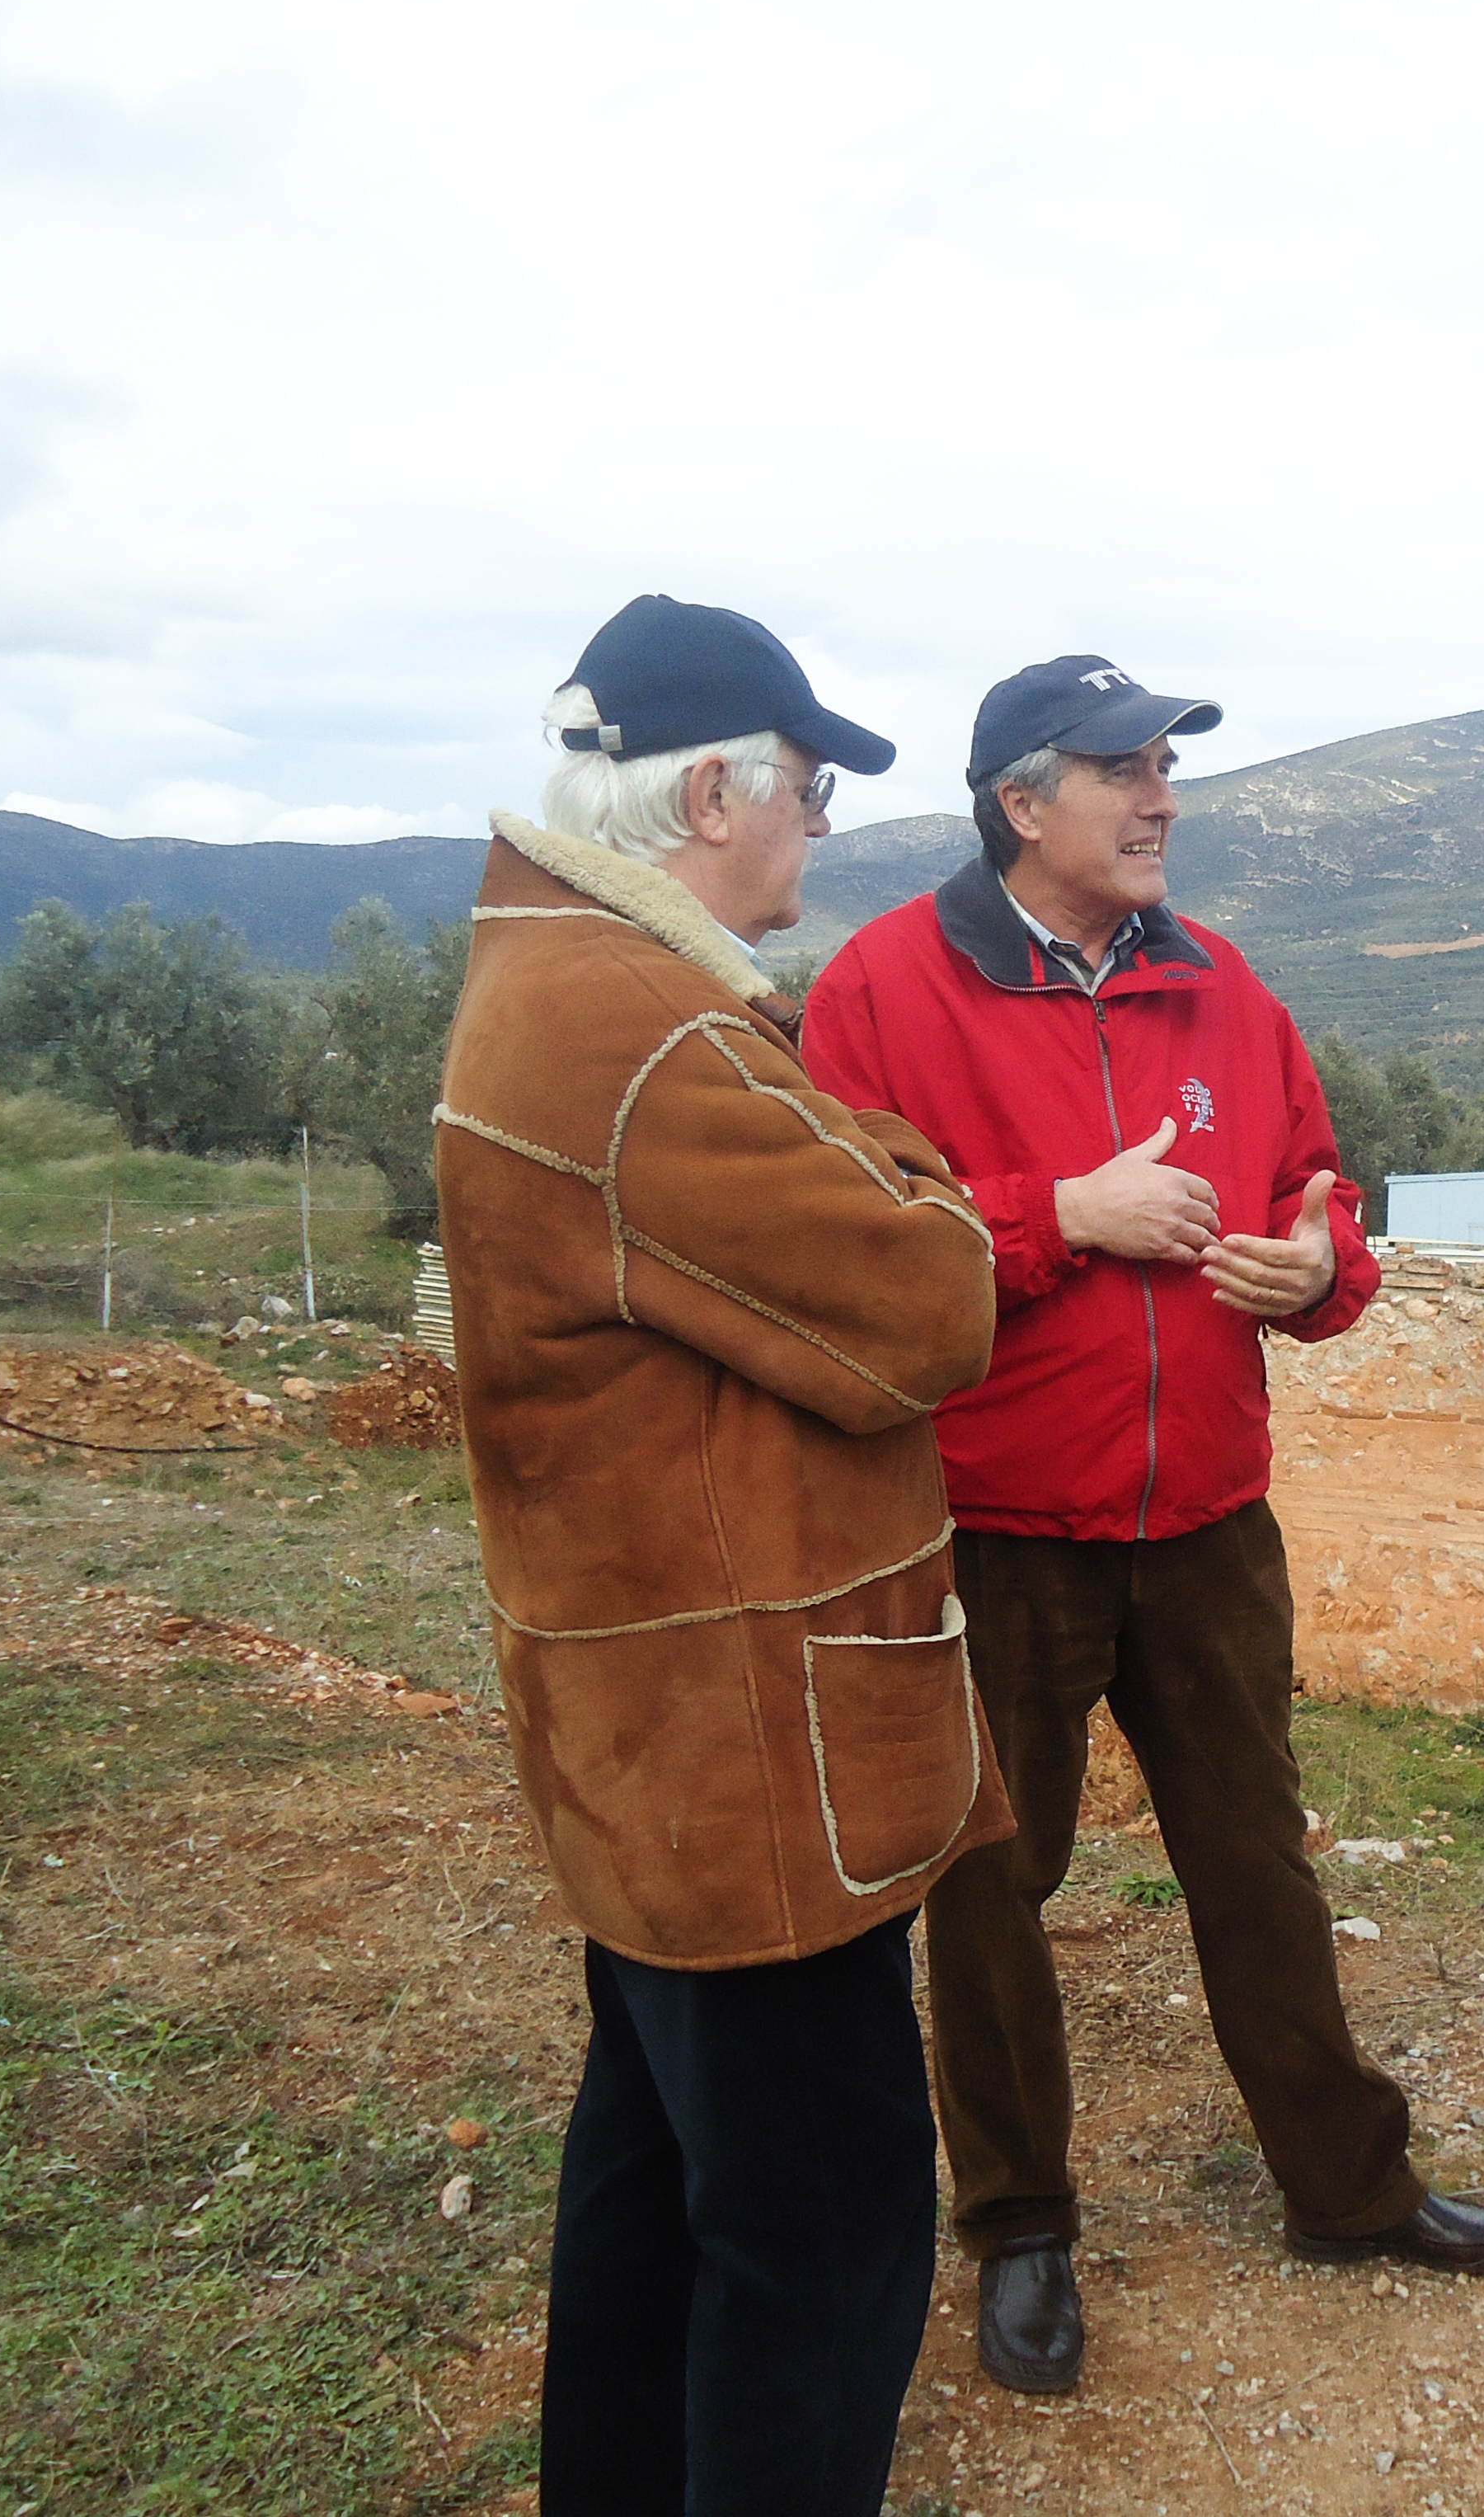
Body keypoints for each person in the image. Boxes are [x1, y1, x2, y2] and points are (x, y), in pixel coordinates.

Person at [801, 653, 1484, 2396]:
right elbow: (841, 1253)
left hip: (1206, 1523)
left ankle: (1348, 2189)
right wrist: (1062, 1211)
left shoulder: (1227, 988)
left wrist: (1318, 1272)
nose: (1163, 800)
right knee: (992, 1890)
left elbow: (1320, 1195)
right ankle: (1020, 2228)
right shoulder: (883, 992)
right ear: (1021, 801)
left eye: (1166, 768)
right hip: (992, 1525)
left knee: (1258, 1865)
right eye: (1124, 769)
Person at [436, 595, 1011, 2517]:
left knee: (660, 2187)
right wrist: (906, 1166)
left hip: (649, 1730)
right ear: (708, 792)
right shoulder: (647, 1029)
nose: (824, 830)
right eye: (812, 790)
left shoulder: (570, 981)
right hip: (746, 1758)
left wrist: (868, 1152)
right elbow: (929, 1299)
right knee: (823, 2232)